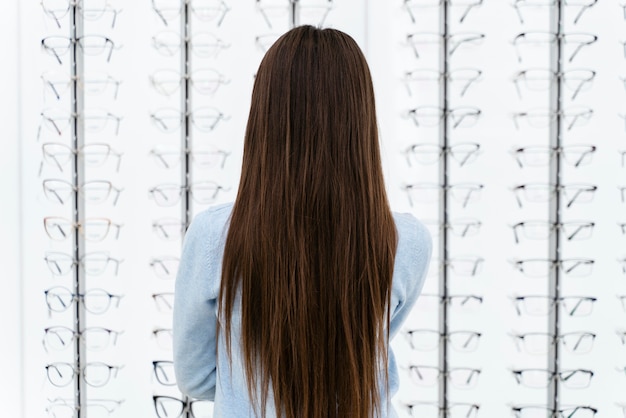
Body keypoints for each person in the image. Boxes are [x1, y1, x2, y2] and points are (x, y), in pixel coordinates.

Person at [173, 25, 432, 418]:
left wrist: (246, 388)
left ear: (265, 118)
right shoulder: (406, 241)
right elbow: (372, 345)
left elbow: (195, 376)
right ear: (361, 119)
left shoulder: (214, 237)